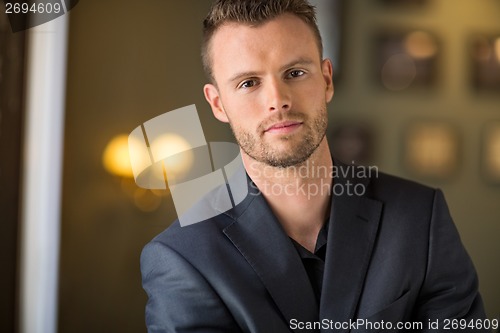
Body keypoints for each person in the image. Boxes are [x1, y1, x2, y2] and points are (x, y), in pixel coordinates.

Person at [140, 0, 488, 331]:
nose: (278, 100)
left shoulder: (420, 217)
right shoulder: (181, 258)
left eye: (294, 72)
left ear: (326, 80)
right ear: (218, 103)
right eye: (249, 83)